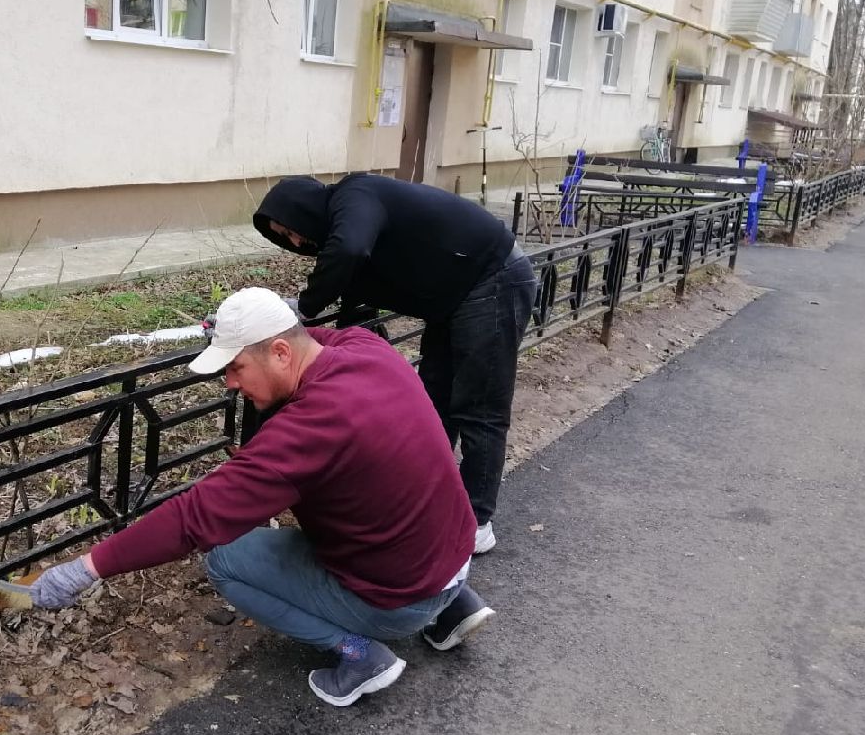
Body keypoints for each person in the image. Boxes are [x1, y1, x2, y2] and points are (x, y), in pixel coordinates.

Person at [29, 287, 493, 707]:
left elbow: (194, 519)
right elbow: (311, 334)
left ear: (280, 352)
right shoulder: (365, 349)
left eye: (235, 367)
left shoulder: (310, 429)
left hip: (402, 598)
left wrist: (87, 568)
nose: (230, 383)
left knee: (226, 559)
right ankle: (455, 608)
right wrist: (246, 324)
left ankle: (361, 656)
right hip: (451, 555)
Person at [253, 173, 537, 555]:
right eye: (284, 238)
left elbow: (349, 250)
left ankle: (477, 521)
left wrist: (303, 307)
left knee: (478, 408)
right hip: (453, 297)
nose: (296, 241)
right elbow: (354, 313)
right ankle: (431, 501)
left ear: (300, 206)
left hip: (494, 277)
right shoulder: (353, 225)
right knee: (436, 399)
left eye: (290, 229)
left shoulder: (354, 195)